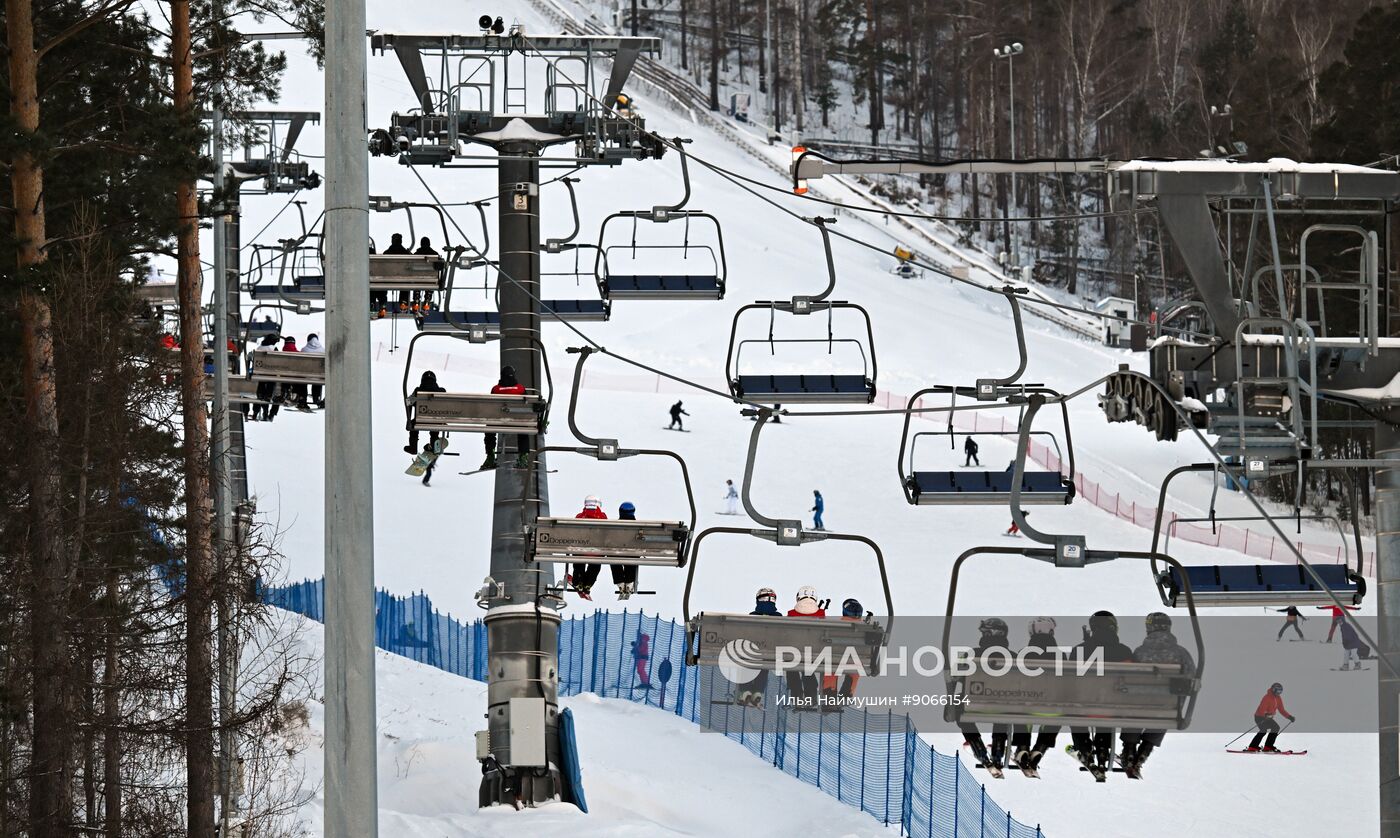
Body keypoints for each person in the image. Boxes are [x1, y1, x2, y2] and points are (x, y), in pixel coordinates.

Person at [1120, 612, 1195, 777]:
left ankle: (1129, 751)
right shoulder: (1181, 654)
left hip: (1137, 707)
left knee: (1135, 706)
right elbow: (1191, 680)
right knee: (1166, 708)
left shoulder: (1139, 652)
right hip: (1166, 709)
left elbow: (1127, 678)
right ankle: (1143, 754)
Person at [1069, 611, 1134, 778]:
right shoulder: (1125, 651)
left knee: (1077, 705)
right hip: (1115, 708)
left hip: (1085, 707)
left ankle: (1084, 749)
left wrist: (1087, 644)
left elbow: (1069, 681)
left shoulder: (1079, 651)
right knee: (1108, 702)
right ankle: (1103, 750)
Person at [961, 617, 1014, 773]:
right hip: (1003, 706)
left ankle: (978, 748)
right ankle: (998, 751)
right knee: (1004, 705)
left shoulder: (972, 654)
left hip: (974, 704)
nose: (983, 636)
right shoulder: (1013, 656)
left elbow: (958, 675)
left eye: (985, 633)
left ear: (993, 633)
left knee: (958, 703)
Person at [1011, 617, 1061, 773]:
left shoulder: (1023, 654)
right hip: (1052, 709)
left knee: (1021, 704)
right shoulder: (1060, 656)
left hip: (1027, 706)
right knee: (1060, 707)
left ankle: (1023, 747)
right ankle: (1041, 747)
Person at [785, 586, 827, 707]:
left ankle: (796, 693)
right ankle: (811, 693)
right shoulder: (821, 614)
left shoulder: (791, 614)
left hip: (793, 652)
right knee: (808, 662)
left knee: (790, 661)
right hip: (815, 653)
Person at [739, 588, 781, 707]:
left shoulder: (752, 616)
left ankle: (745, 690)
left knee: (746, 661)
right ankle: (758, 691)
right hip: (771, 654)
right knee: (764, 665)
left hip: (752, 652)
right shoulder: (779, 618)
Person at [820, 598, 867, 704]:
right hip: (856, 661)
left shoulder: (835, 627)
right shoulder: (866, 628)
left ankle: (829, 695)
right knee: (855, 669)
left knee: (830, 668)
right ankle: (846, 696)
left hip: (834, 660)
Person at [482, 366, 528, 470]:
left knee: (489, 429)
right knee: (524, 427)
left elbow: (491, 407)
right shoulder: (521, 389)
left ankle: (490, 455)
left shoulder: (496, 389)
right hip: (516, 421)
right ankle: (523, 457)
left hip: (498, 422)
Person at [567, 496, 608, 600]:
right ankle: (588, 583)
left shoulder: (579, 516)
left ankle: (578, 581)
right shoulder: (603, 517)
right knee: (594, 567)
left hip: (581, 550)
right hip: (597, 551)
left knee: (578, 564)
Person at [404, 370, 446, 454]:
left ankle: (413, 447)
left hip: (420, 421)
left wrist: (408, 420)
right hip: (436, 421)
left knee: (413, 423)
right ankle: (434, 445)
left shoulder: (418, 391)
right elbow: (447, 406)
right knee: (435, 425)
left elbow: (408, 402)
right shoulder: (442, 391)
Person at [1246, 682, 1296, 752]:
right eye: (1277, 691)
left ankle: (1268, 746)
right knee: (1263, 730)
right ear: (1273, 689)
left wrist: (1289, 717)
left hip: (1268, 718)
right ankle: (1252, 747)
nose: (1279, 693)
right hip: (1260, 717)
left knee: (1276, 727)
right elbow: (1261, 709)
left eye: (1280, 691)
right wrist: (1265, 715)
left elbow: (1281, 710)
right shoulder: (1267, 697)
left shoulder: (1278, 698)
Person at [611, 502, 640, 598]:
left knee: (612, 556)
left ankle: (620, 581)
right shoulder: (639, 526)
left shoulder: (614, 526)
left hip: (617, 553)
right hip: (632, 554)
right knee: (633, 556)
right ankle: (629, 581)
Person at [252, 333, 280, 421]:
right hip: (271, 373)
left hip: (259, 373)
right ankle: (269, 412)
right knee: (272, 389)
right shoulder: (274, 349)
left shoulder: (259, 348)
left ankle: (256, 412)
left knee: (261, 389)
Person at [383, 233, 412, 309]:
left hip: (387, 279)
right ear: (401, 241)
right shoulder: (406, 253)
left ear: (392, 241)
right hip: (402, 279)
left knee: (381, 281)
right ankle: (403, 301)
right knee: (406, 281)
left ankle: (382, 302)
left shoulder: (386, 253)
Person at [303, 333, 325, 408]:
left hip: (305, 375)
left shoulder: (304, 349)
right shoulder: (323, 350)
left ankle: (303, 399)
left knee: (302, 380)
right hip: (318, 376)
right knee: (318, 379)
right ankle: (316, 399)